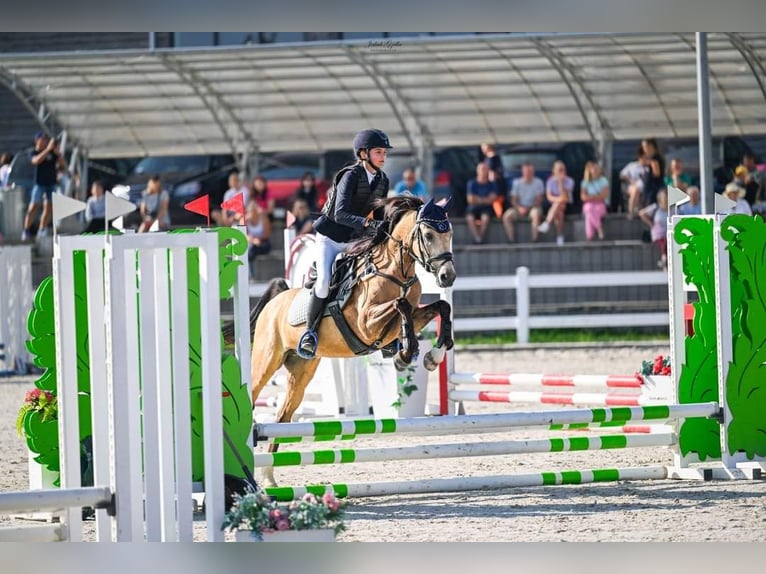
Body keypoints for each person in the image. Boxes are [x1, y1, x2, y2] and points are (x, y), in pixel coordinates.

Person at [296, 128, 392, 359]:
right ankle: (310, 333)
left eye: (384, 152)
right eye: (378, 152)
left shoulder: (382, 180)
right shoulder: (350, 176)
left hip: (353, 240)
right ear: (363, 154)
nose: (383, 156)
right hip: (331, 238)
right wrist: (369, 226)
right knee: (324, 283)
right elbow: (340, 214)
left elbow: (378, 216)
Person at [22, 132, 66, 241]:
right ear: (37, 141)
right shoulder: (33, 152)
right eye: (43, 140)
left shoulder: (52, 153)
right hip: (38, 183)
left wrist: (58, 153)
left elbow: (63, 166)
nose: (45, 142)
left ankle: (42, 229)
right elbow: (36, 160)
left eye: (46, 140)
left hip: (51, 183)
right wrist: (47, 150)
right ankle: (26, 230)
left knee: (49, 207)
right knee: (34, 206)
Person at [501, 162, 544, 243]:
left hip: (533, 207)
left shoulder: (538, 182)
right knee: (506, 216)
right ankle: (511, 241)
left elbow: (539, 200)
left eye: (530, 171)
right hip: (519, 208)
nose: (528, 173)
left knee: (536, 215)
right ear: (522, 172)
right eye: (526, 171)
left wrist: (528, 208)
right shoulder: (517, 183)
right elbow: (514, 200)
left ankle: (535, 240)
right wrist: (519, 208)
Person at [538, 160, 573, 246]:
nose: (562, 172)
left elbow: (565, 197)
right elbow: (549, 197)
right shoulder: (550, 181)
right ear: (554, 171)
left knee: (558, 205)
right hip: (555, 206)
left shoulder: (569, 181)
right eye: (560, 170)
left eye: (563, 170)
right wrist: (558, 199)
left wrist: (560, 182)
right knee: (559, 213)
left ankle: (547, 223)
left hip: (567, 205)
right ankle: (560, 237)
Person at [465, 162, 497, 244]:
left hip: (486, 208)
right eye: (481, 169)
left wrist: (478, 199)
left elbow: (492, 199)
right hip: (474, 207)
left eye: (485, 169)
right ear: (477, 171)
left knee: (485, 218)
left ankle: (481, 237)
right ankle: (477, 238)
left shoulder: (492, 184)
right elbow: (470, 200)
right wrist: (485, 199)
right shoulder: (472, 183)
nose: (483, 171)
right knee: (470, 218)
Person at [639, 188, 669, 271]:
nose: (666, 199)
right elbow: (642, 213)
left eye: (667, 197)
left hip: (670, 235)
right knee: (665, 242)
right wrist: (650, 223)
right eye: (664, 197)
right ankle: (664, 261)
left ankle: (665, 261)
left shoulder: (673, 209)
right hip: (658, 235)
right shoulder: (656, 208)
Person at [580, 161, 609, 241]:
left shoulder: (603, 181)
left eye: (597, 169)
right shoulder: (585, 182)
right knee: (589, 209)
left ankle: (589, 236)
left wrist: (591, 197)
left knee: (589, 212)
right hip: (589, 205)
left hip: (600, 205)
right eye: (594, 169)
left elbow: (604, 196)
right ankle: (599, 229)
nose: (596, 170)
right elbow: (583, 197)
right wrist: (595, 197)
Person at [245, 200, 272, 278]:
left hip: (264, 243)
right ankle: (250, 275)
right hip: (252, 243)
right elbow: (243, 234)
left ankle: (251, 275)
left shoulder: (263, 219)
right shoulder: (245, 220)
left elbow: (267, 234)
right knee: (250, 250)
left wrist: (257, 240)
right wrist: (253, 240)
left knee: (250, 251)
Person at [481, 143, 507, 218]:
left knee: (496, 201)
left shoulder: (492, 158)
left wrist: (491, 184)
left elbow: (493, 174)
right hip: (497, 184)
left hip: (496, 185)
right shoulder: (492, 158)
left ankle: (499, 216)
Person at [621, 145, 647, 219]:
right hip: (633, 186)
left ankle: (638, 208)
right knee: (636, 190)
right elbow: (622, 175)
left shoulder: (649, 167)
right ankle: (631, 211)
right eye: (644, 158)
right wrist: (630, 180)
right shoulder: (632, 165)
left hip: (645, 187)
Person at [640, 138, 666, 206]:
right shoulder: (652, 159)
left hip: (653, 190)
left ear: (651, 146)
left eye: (645, 147)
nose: (644, 149)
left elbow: (656, 173)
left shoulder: (655, 159)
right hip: (649, 191)